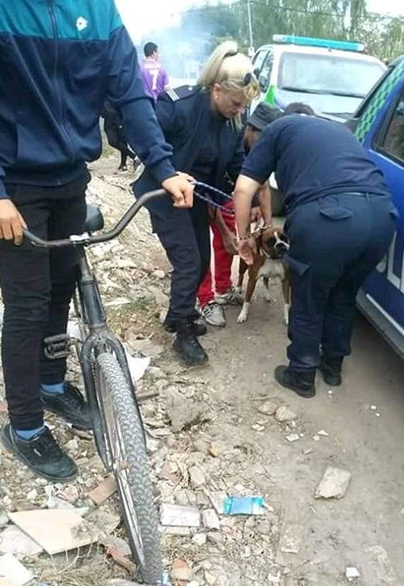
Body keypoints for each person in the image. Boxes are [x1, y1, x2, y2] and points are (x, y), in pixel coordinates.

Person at [0, 0, 194, 482]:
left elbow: (130, 95)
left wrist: (163, 168)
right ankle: (23, 428)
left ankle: (49, 381)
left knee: (61, 286)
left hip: (70, 179)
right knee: (27, 304)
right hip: (15, 187)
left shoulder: (98, 12)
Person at [234, 106, 397, 397]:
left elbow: (244, 190)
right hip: (381, 217)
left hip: (329, 217)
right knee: (344, 294)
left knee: (308, 295)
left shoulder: (277, 129)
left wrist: (244, 236)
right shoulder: (338, 129)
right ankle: (332, 368)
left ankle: (301, 375)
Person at [134, 41, 260, 364]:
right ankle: (183, 332)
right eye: (235, 103)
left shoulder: (233, 124)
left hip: (196, 198)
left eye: (243, 106)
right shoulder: (182, 106)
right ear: (216, 89)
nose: (239, 111)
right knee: (189, 260)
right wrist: (166, 170)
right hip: (163, 193)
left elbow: (235, 167)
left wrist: (254, 197)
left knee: (202, 258)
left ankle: (176, 315)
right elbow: (138, 130)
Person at [197, 103, 283, 325]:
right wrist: (226, 233)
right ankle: (205, 299)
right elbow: (209, 194)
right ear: (251, 129)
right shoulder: (227, 142)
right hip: (201, 192)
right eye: (263, 138)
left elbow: (263, 187)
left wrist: (268, 224)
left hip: (227, 194)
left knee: (229, 246)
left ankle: (223, 289)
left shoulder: (260, 150)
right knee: (201, 247)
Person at [101, 102, 139, 172]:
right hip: (108, 121)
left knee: (123, 141)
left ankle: (123, 165)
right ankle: (134, 157)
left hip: (120, 119)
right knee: (112, 142)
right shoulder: (101, 96)